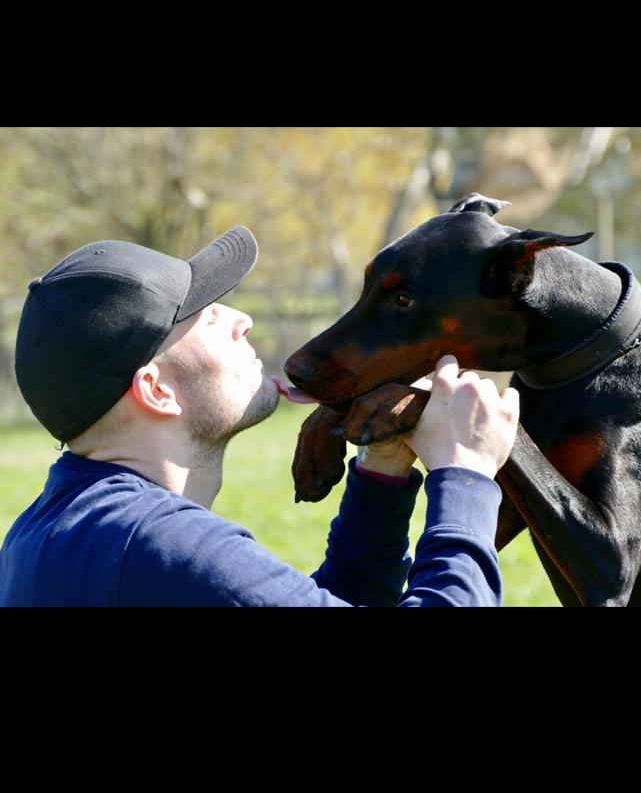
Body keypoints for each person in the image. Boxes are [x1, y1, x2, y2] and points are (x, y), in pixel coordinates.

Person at [0, 226, 519, 607]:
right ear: (156, 391)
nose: (240, 318)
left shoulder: (47, 534)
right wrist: (466, 474)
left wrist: (381, 471)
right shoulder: (161, 543)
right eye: (202, 314)